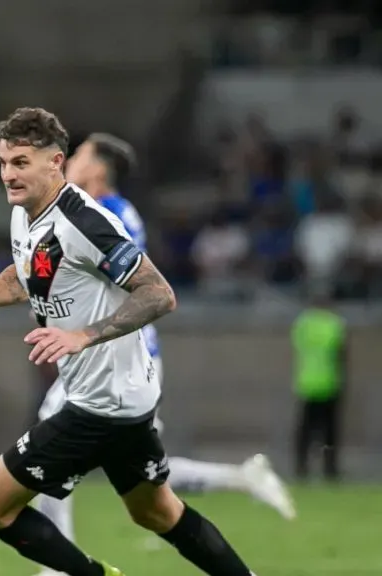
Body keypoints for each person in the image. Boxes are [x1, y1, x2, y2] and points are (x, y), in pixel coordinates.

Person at [0, 107, 257, 576]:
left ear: (56, 162)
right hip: (123, 397)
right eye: (4, 161)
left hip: (99, 403)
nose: (8, 173)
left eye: (21, 162)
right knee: (156, 512)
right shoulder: (26, 214)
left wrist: (83, 335)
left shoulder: (85, 221)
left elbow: (158, 293)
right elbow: (30, 274)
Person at [29, 134, 295, 574]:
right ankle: (242, 478)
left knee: (52, 439)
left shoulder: (104, 215)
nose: (70, 161)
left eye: (77, 155)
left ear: (96, 170)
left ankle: (57, 566)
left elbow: (117, 284)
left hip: (114, 359)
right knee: (145, 477)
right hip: (114, 356)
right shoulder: (104, 212)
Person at [291, 291, 346, 481]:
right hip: (330, 383)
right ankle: (329, 469)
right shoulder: (334, 324)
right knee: (329, 432)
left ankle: (301, 467)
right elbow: (341, 355)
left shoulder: (303, 323)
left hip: (307, 383)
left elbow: (298, 346)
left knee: (306, 430)